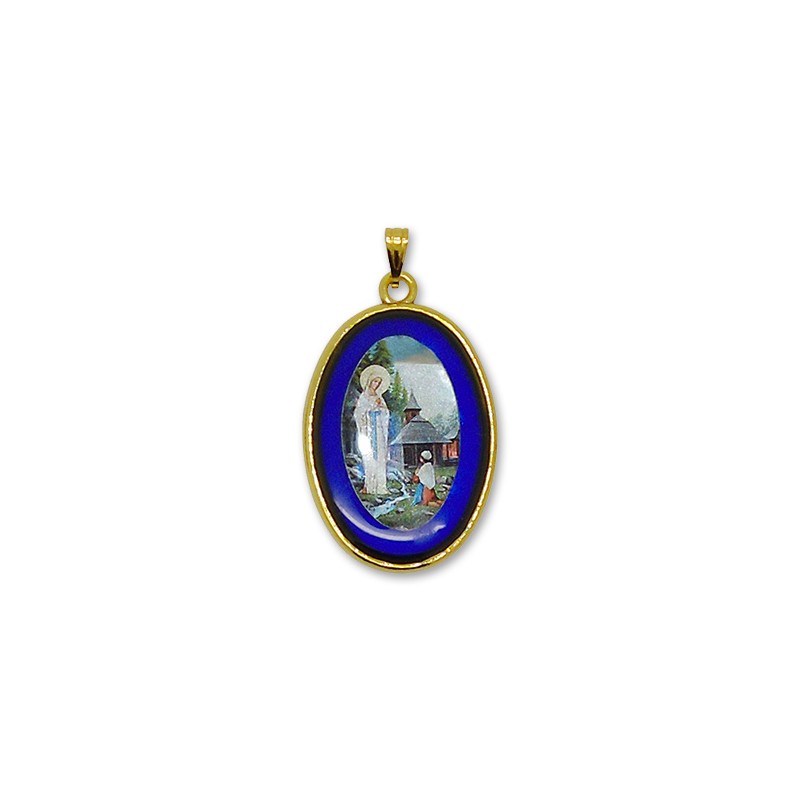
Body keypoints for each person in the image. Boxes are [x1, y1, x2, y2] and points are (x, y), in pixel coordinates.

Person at [354, 364, 391, 495]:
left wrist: (381, 409)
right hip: (368, 431)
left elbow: (386, 413)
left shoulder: (379, 397)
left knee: (380, 458)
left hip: (379, 432)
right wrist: (371, 408)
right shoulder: (364, 396)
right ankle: (370, 486)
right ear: (370, 380)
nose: (376, 384)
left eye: (379, 382)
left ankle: (381, 487)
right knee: (369, 458)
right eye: (375, 381)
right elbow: (358, 413)